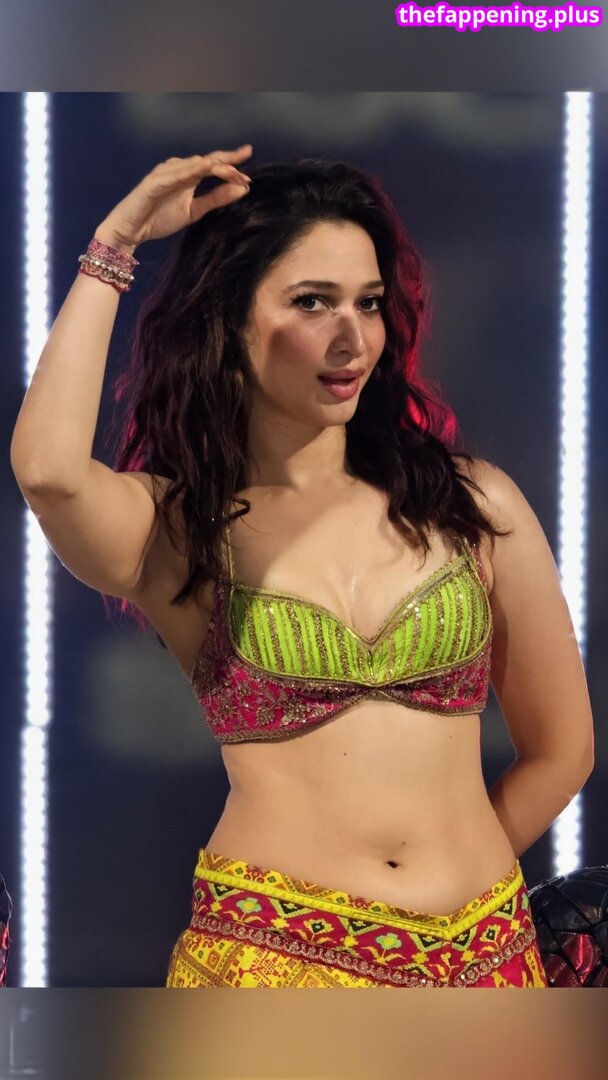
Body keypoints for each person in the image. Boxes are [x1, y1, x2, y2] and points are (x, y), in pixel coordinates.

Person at [10, 144, 594, 989]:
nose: (352, 337)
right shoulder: (178, 527)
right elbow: (49, 473)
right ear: (231, 318)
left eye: (369, 303)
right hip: (272, 964)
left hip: (479, 958)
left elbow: (563, 749)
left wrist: (459, 905)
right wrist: (116, 245)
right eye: (312, 302)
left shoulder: (472, 504)